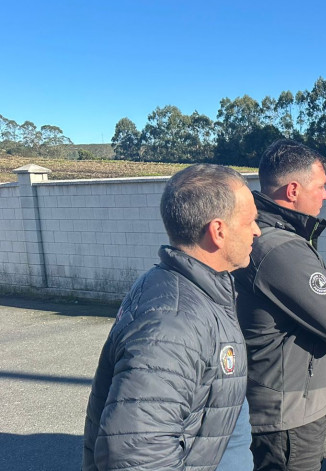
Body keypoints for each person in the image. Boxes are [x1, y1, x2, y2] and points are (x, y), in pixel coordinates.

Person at [82, 164, 260, 470]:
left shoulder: (196, 290)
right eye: (250, 221)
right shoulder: (173, 322)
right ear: (218, 231)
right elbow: (136, 454)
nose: (257, 230)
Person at [235, 139, 326, 471]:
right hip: (286, 420)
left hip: (286, 410)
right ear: (293, 190)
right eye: (320, 186)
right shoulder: (280, 249)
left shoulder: (271, 236)